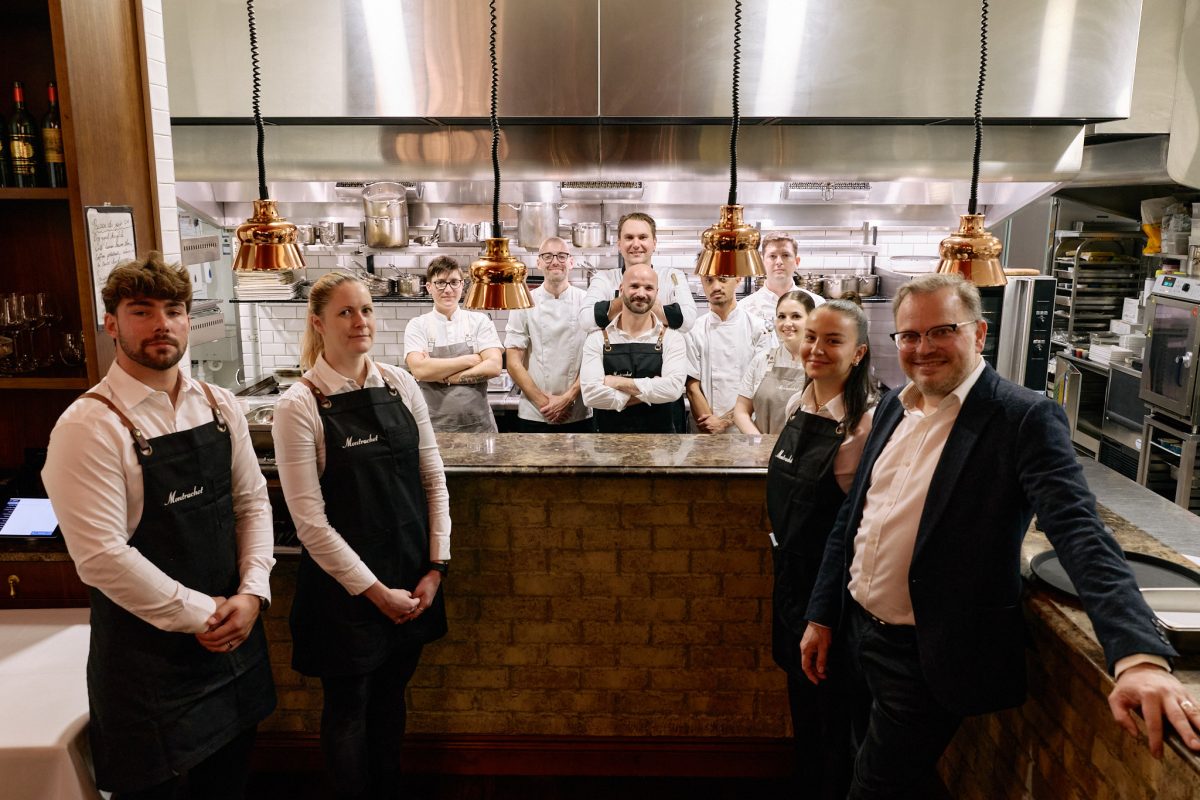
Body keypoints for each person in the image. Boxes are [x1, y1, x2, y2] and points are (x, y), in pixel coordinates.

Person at [800, 273, 1200, 798]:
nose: (923, 349)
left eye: (942, 331)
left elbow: (1079, 530)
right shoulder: (896, 404)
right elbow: (856, 517)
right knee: (873, 764)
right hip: (858, 633)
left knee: (872, 788)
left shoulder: (1021, 417)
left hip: (926, 655)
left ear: (980, 333)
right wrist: (822, 613)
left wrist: (1138, 655)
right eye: (910, 336)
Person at [42, 252, 276, 799]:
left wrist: (253, 592)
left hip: (232, 645)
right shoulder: (89, 425)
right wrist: (205, 614)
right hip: (148, 666)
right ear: (111, 323)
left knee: (229, 784)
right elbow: (100, 556)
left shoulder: (220, 406)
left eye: (173, 310)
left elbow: (251, 504)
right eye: (141, 311)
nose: (161, 325)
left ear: (189, 319)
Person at [273, 272, 450, 800]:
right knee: (348, 709)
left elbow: (432, 479)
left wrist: (435, 568)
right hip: (346, 591)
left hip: (412, 576)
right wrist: (375, 593)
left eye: (367, 310)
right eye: (346, 312)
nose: (361, 321)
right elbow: (310, 523)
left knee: (392, 696)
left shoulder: (400, 383)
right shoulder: (300, 404)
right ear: (318, 323)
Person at [765, 299, 876, 799]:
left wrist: (825, 613)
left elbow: (862, 530)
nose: (816, 348)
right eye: (812, 337)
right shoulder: (797, 405)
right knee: (802, 709)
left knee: (836, 718)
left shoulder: (865, 425)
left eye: (833, 341)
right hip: (789, 579)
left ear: (859, 354)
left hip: (831, 597)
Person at [580, 265, 688, 433]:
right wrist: (651, 391)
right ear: (621, 289)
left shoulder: (672, 339)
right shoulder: (598, 339)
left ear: (657, 292)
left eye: (649, 288)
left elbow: (673, 389)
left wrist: (617, 383)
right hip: (607, 447)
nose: (641, 293)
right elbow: (590, 395)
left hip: (660, 448)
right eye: (634, 286)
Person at [404, 256, 503, 433]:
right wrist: (471, 360)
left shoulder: (479, 321)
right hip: (434, 429)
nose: (448, 289)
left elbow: (494, 366)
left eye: (454, 282)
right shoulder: (417, 325)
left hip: (480, 428)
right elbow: (420, 370)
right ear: (429, 287)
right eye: (440, 283)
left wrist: (446, 377)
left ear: (462, 285)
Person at [504, 236, 593, 432]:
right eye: (548, 256)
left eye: (561, 256)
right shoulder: (524, 302)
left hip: (577, 410)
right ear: (538, 262)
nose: (555, 261)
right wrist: (545, 403)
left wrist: (568, 398)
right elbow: (513, 361)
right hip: (535, 413)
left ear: (571, 262)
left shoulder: (588, 303)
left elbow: (594, 359)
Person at [579, 211, 698, 335]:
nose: (636, 244)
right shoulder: (603, 278)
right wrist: (636, 300)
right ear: (619, 244)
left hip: (664, 352)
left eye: (642, 237)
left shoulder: (673, 276)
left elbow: (687, 320)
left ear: (654, 243)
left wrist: (631, 300)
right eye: (629, 237)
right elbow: (586, 321)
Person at [685, 274, 769, 433]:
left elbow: (762, 385)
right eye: (709, 280)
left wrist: (724, 421)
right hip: (705, 428)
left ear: (738, 279)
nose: (716, 287)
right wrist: (710, 424)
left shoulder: (759, 329)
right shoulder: (693, 331)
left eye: (723, 279)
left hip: (748, 428)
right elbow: (692, 386)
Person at [733, 290, 817, 434]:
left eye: (796, 316)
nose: (787, 323)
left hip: (804, 452)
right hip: (762, 453)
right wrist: (759, 443)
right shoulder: (762, 360)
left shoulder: (821, 363)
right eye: (781, 316)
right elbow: (741, 411)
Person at [739, 231, 823, 342]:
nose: (779, 262)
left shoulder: (817, 305)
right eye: (772, 256)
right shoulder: (744, 309)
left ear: (796, 262)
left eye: (785, 255)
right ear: (762, 262)